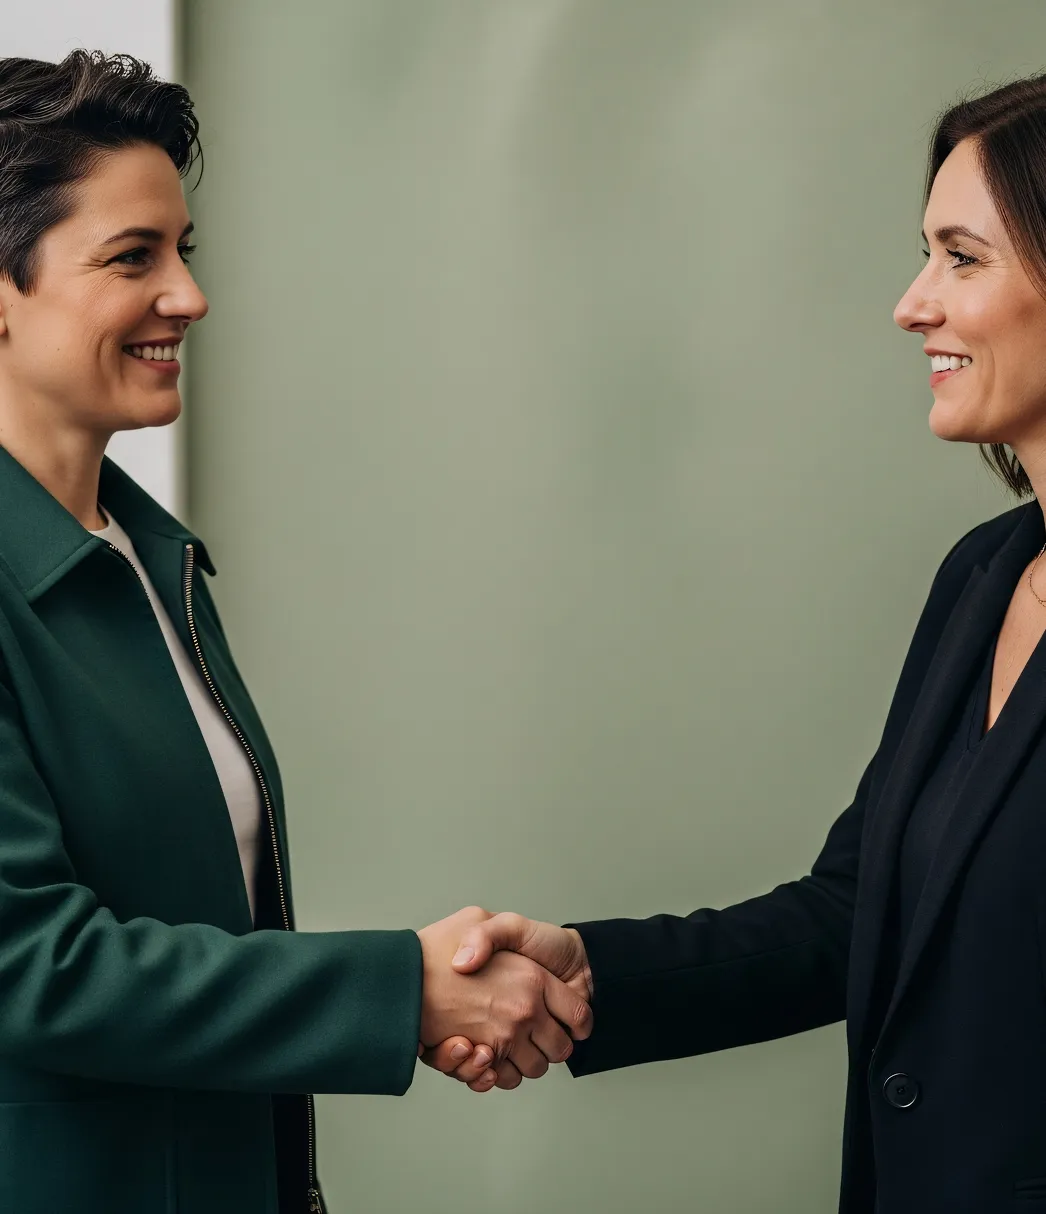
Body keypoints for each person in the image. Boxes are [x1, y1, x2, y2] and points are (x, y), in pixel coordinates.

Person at [421, 71, 1046, 1214]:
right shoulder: (981, 577)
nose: (912, 303)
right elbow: (855, 910)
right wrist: (587, 967)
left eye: (961, 258)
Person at [0, 50, 592, 1214]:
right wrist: (400, 992)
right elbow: (31, 962)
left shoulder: (147, 558)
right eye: (133, 257)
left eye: (184, 251)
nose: (188, 294)